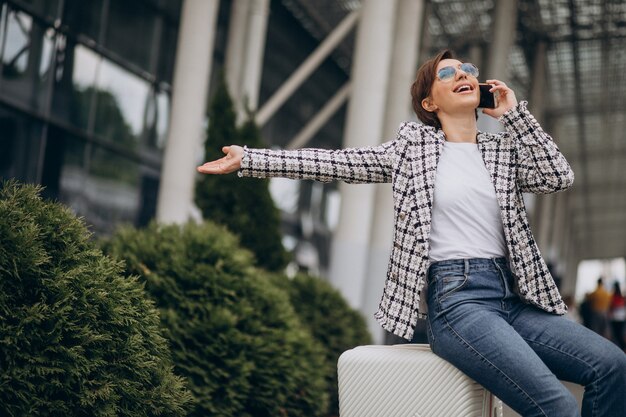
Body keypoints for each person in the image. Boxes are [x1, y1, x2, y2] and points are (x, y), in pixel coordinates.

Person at [198, 49, 626, 416]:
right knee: (557, 406)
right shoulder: (411, 148)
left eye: (468, 70)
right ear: (429, 101)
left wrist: (515, 115)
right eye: (447, 72)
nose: (463, 74)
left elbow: (558, 176)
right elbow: (336, 162)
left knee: (612, 365)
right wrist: (251, 158)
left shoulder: (503, 151)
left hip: (512, 299)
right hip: (458, 304)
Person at [609, 281, 626, 350]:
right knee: (620, 334)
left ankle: (618, 348)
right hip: (621, 318)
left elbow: (611, 307)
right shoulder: (622, 297)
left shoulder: (613, 297)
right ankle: (622, 347)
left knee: (615, 335)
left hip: (615, 318)